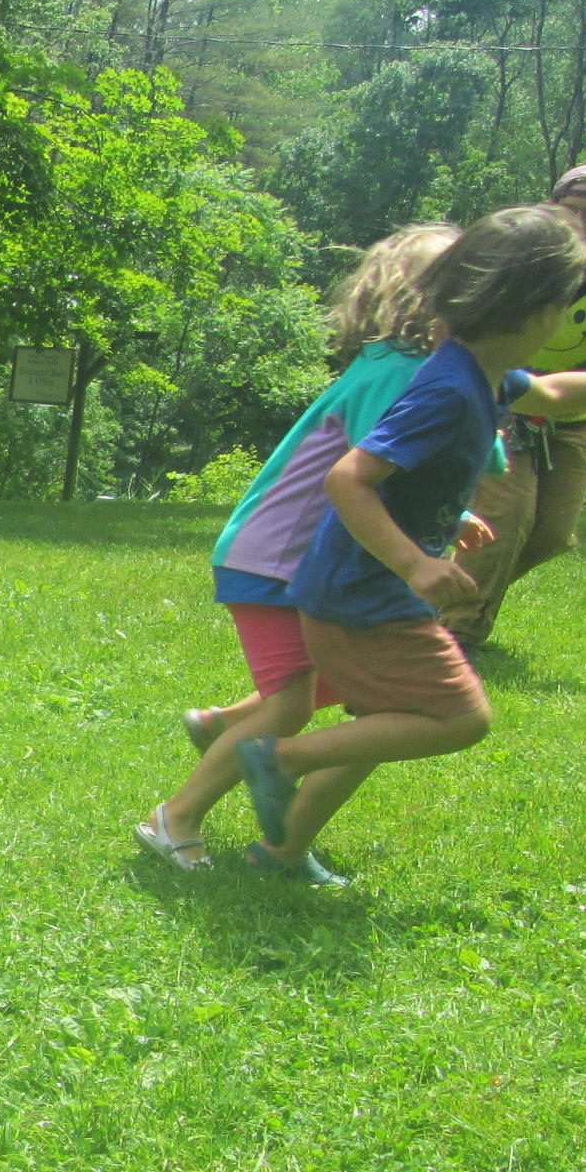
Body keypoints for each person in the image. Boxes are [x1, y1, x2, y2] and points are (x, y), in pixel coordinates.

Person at [233, 206, 586, 878]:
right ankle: (278, 757)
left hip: (352, 587)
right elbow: (349, 479)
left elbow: (551, 394)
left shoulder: (476, 368)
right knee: (462, 718)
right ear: (542, 314)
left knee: (387, 719)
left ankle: (280, 850)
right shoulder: (450, 390)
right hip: (363, 591)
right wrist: (414, 563)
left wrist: (444, 518)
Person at [134, 225, 463, 879]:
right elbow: (373, 470)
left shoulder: (399, 366)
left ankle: (225, 727)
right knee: (292, 704)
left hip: (307, 559)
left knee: (347, 683)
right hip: (276, 557)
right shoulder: (400, 372)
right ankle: (175, 818)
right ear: (428, 302)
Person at [441, 163, 586, 648]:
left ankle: (432, 602)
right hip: (505, 400)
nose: (582, 221)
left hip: (576, 416)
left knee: (552, 534)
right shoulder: (526, 258)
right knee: (505, 521)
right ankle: (454, 637)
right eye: (571, 208)